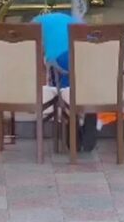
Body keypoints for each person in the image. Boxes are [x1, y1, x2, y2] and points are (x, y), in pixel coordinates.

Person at [31, 12, 99, 151]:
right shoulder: (74, 20)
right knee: (84, 86)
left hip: (60, 59)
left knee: (65, 92)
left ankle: (71, 124)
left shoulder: (35, 23)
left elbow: (35, 49)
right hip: (85, 55)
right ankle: (90, 111)